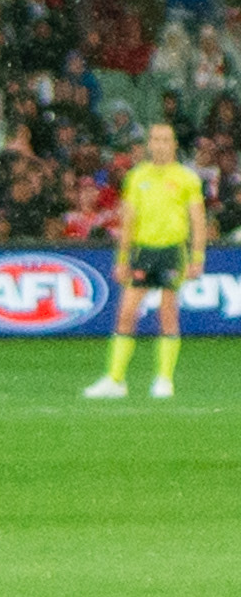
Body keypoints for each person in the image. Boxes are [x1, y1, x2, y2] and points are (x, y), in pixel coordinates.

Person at [84, 123, 207, 399]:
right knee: (126, 314)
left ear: (174, 144)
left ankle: (164, 379)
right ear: (149, 144)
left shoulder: (186, 178)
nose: (160, 144)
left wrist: (197, 258)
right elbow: (128, 221)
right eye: (155, 139)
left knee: (167, 314)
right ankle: (115, 379)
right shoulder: (137, 177)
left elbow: (198, 221)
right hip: (143, 252)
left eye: (166, 139)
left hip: (172, 251)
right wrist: (122, 258)